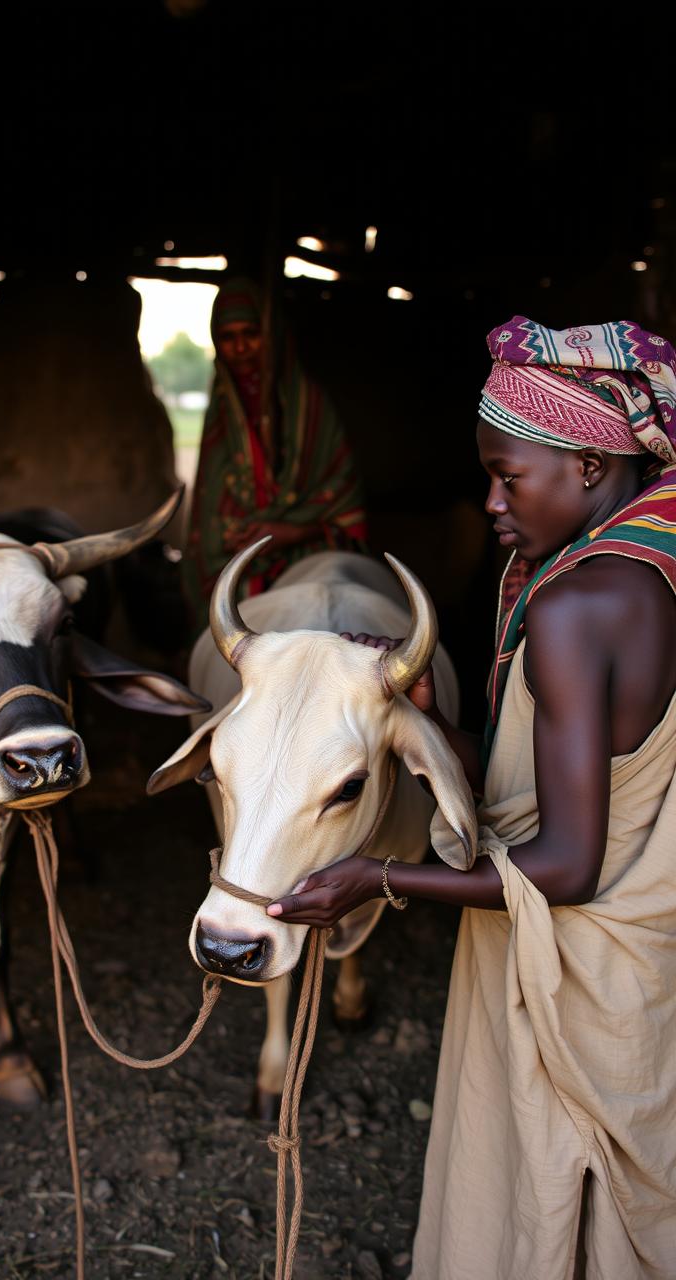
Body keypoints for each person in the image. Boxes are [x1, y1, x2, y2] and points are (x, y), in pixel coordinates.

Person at [266, 317, 676, 1279]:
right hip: (643, 962)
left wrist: (376, 876)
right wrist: (422, 717)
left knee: (547, 1203)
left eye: (509, 476)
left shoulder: (577, 606)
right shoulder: (646, 570)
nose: (489, 502)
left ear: (586, 462)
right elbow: (539, 776)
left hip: (579, 962)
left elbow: (567, 866)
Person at [182, 277, 367, 632]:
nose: (240, 348)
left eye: (251, 333)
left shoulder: (311, 409)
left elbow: (343, 497)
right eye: (228, 337)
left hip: (305, 553)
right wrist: (233, 532)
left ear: (272, 336)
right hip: (239, 554)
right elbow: (209, 509)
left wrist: (289, 532)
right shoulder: (220, 414)